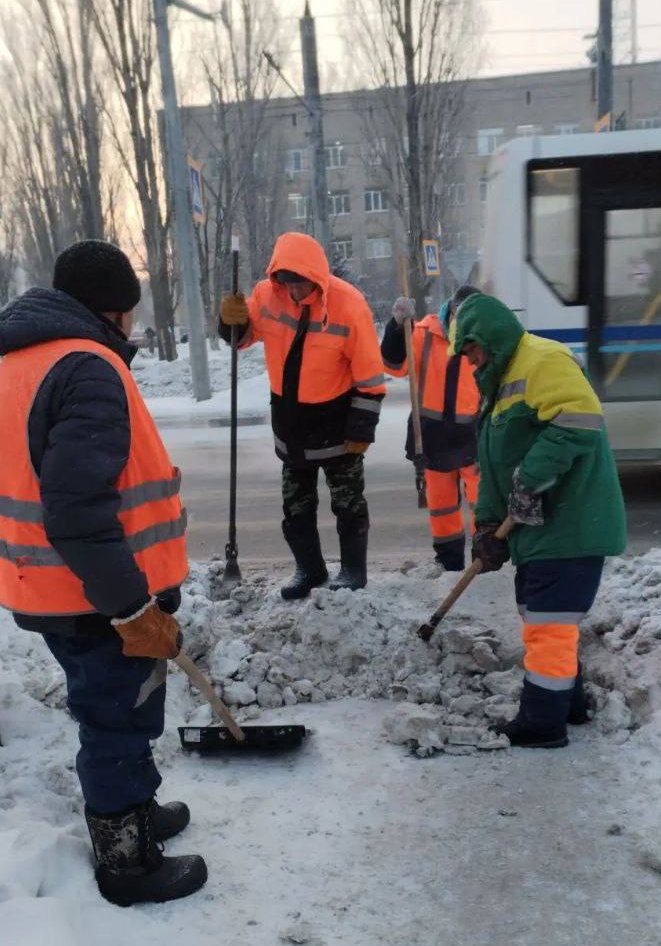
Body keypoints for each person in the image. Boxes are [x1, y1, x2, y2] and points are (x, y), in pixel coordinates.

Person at [0, 240, 207, 906]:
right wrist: (131, 606)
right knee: (117, 717)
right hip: (90, 592)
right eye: (131, 313)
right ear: (113, 312)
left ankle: (135, 811)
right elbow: (78, 508)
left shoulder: (28, 359)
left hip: (58, 584)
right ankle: (127, 862)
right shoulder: (87, 368)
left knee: (121, 707)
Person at [453, 293, 627, 749]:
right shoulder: (497, 385)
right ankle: (569, 704)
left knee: (548, 622)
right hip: (540, 529)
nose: (470, 360)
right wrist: (487, 529)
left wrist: (530, 479)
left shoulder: (543, 359)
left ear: (490, 337)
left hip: (570, 522)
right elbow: (493, 467)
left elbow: (580, 418)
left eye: (472, 349)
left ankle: (541, 723)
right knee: (543, 614)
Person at [219, 232, 386, 597]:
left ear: (316, 276)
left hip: (338, 425)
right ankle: (309, 570)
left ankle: (353, 571)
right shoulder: (267, 295)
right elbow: (243, 337)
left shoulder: (349, 304)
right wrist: (231, 322)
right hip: (291, 425)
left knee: (348, 504)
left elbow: (371, 377)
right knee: (296, 506)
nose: (293, 290)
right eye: (286, 281)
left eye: (300, 281)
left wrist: (362, 427)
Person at [380, 285, 482, 570]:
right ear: (449, 311)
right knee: (442, 509)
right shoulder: (423, 334)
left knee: (482, 507)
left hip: (475, 439)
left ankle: (484, 563)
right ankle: (449, 564)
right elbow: (392, 363)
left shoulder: (484, 339)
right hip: (433, 438)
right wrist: (397, 326)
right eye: (458, 317)